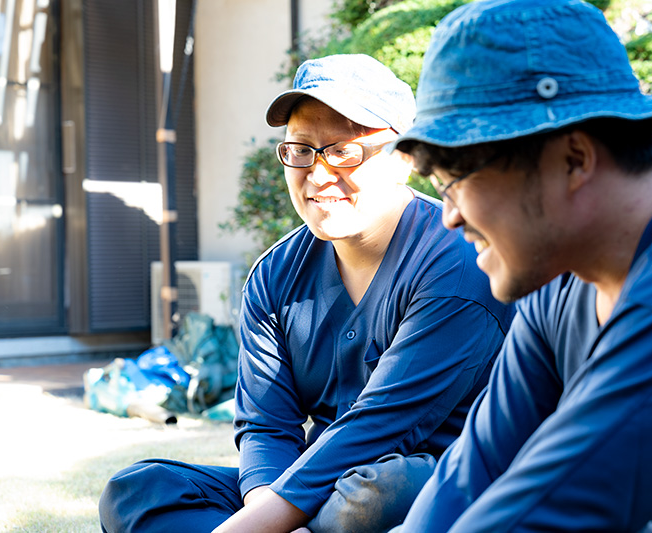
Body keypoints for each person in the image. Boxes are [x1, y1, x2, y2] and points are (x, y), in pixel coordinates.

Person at [391, 1, 652, 531]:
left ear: (573, 159)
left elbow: (546, 512)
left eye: (455, 179)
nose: (449, 217)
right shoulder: (561, 287)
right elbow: (473, 476)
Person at [98, 54, 512, 533]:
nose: (318, 174)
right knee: (138, 490)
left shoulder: (458, 262)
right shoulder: (275, 275)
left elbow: (379, 428)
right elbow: (266, 425)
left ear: (405, 159)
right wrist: (270, 515)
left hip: (434, 480)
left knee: (371, 495)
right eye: (301, 150)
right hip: (316, 490)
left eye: (344, 151)